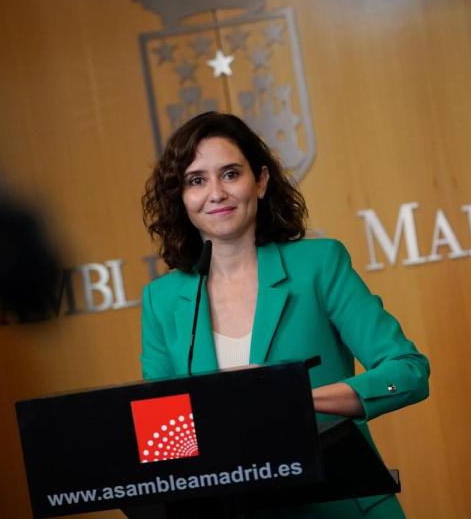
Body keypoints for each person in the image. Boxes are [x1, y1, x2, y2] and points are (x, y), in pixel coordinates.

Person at [139, 111, 430, 518]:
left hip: (343, 507)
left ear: (259, 181)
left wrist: (297, 401)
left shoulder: (320, 263)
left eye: (230, 174)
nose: (216, 193)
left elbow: (409, 371)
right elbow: (164, 437)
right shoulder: (161, 300)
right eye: (196, 180)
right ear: (181, 197)